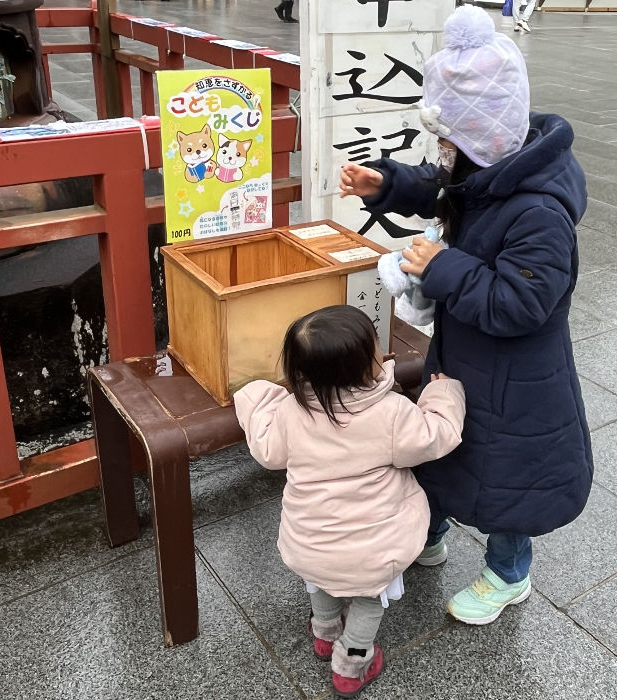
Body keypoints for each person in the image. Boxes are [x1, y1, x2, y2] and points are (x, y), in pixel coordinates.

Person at [339, 4, 593, 627]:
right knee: (446, 446)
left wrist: (439, 268)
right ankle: (429, 533)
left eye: (449, 140)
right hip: (466, 356)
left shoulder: (539, 212)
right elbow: (446, 186)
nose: (442, 151)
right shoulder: (493, 162)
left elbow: (522, 303)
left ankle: (510, 573)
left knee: (509, 476)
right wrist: (387, 183)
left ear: (480, 134)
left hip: (518, 377)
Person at [234, 305, 466, 697]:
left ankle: (325, 634)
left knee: (321, 579)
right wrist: (444, 392)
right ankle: (351, 663)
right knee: (369, 598)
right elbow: (437, 434)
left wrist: (256, 396)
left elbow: (268, 449)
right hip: (374, 547)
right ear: (365, 368)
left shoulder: (293, 410)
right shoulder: (390, 412)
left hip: (310, 541)